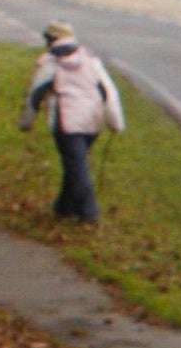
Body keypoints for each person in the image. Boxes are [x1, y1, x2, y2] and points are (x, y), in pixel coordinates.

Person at [19, 21, 126, 222]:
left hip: (66, 121)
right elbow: (109, 91)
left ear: (50, 40)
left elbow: (34, 95)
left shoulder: (48, 63)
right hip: (93, 119)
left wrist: (26, 122)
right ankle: (63, 206)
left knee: (77, 167)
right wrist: (115, 122)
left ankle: (89, 213)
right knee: (75, 163)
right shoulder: (90, 59)